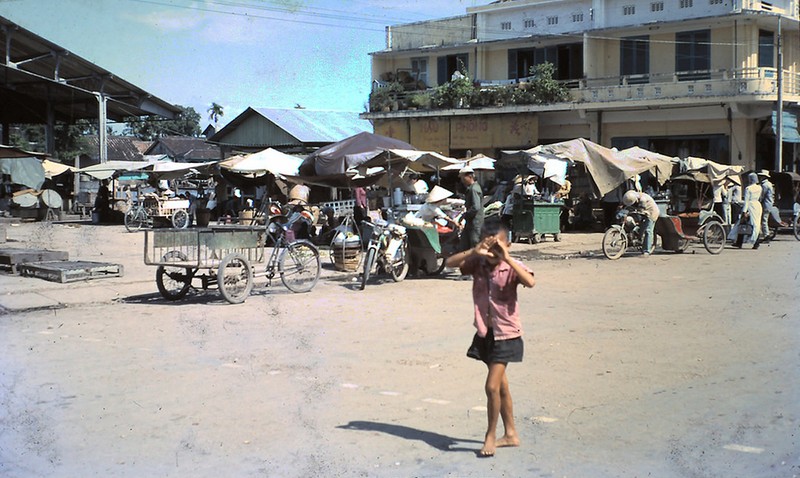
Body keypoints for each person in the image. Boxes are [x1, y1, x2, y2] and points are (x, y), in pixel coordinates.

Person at [445, 218, 536, 457]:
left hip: (507, 335)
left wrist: (506, 257)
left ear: (508, 245)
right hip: (486, 333)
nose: (493, 252)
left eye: (500, 246)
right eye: (491, 247)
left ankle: (490, 436)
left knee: (492, 386)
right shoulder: (479, 263)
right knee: (502, 387)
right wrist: (474, 251)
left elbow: (530, 282)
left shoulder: (511, 265)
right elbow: (449, 263)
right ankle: (511, 434)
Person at [728, 172, 763, 249]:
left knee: (742, 224)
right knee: (756, 224)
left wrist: (744, 211)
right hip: (757, 206)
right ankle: (755, 242)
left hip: (750, 206)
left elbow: (746, 201)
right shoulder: (759, 188)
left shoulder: (748, 188)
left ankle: (739, 242)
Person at [621, 189, 660, 257]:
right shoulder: (632, 196)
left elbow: (641, 209)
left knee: (648, 230)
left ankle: (646, 251)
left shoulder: (643, 199)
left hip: (651, 212)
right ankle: (638, 238)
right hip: (643, 212)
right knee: (637, 226)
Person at [459, 166, 485, 252]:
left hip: (475, 222)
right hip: (471, 222)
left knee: (475, 244)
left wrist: (466, 215)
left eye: (463, 178)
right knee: (465, 244)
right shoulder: (472, 188)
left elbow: (476, 207)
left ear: (469, 177)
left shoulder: (474, 189)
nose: (462, 181)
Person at [758, 170, 787, 240]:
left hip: (766, 204)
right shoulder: (769, 184)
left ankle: (766, 235)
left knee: (764, 220)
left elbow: (762, 196)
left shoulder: (765, 185)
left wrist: (758, 201)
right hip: (769, 204)